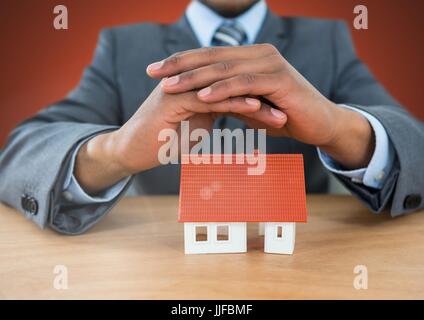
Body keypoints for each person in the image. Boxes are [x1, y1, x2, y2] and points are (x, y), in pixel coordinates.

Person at [0, 0, 422, 235]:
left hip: (302, 270)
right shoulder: (123, 45)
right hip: (162, 272)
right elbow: (21, 154)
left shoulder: (325, 39)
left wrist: (336, 127)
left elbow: (416, 146)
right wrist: (117, 149)